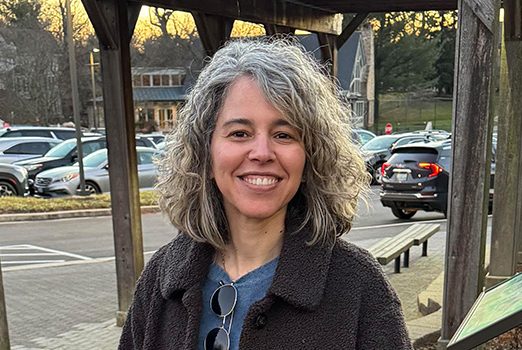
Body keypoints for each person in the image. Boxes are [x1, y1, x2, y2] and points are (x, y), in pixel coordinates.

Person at [119, 38, 412, 350]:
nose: (261, 152)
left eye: (283, 135)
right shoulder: (161, 279)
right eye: (240, 133)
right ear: (205, 154)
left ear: (310, 157)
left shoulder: (357, 285)